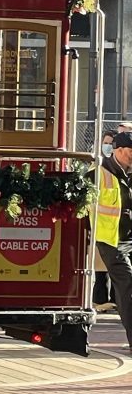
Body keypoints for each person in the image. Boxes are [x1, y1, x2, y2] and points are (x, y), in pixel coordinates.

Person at [96, 131, 132, 352]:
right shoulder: (99, 172)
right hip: (112, 240)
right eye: (130, 153)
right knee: (128, 284)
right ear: (118, 150)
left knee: (125, 289)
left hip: (130, 238)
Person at [93, 131, 116, 311]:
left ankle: (115, 301)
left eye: (110, 143)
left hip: (115, 230)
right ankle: (100, 300)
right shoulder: (96, 169)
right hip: (99, 228)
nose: (106, 146)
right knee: (100, 273)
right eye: (105, 142)